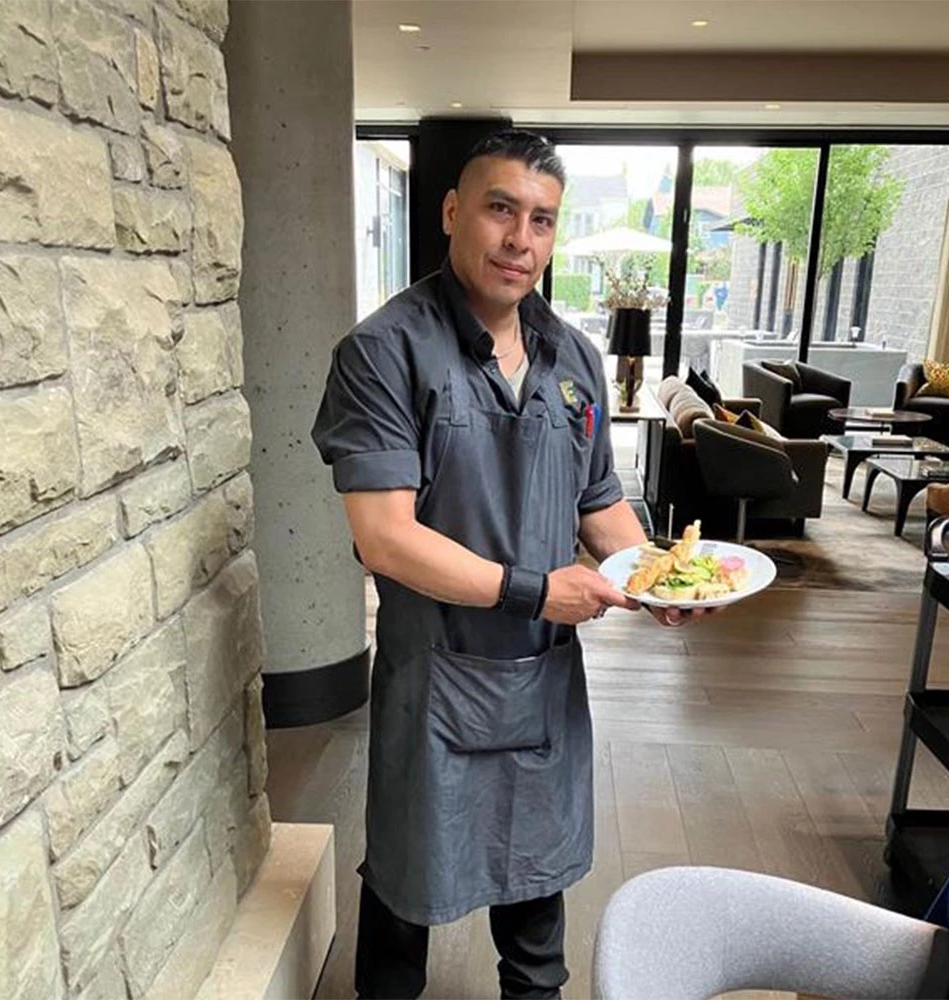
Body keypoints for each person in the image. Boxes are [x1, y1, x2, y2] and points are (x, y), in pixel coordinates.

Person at [313, 129, 703, 1000]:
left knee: (536, 913)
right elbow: (384, 536)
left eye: (543, 220)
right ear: (453, 212)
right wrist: (536, 590)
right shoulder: (384, 352)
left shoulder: (574, 359)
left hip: (541, 687)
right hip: (435, 678)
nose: (520, 239)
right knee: (406, 895)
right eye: (499, 209)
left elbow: (598, 499)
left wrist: (655, 575)